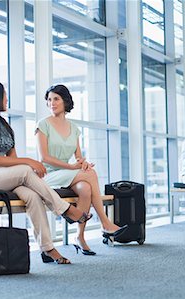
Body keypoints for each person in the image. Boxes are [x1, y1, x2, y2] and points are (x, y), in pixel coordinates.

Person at [0, 80, 93, 265]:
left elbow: (12, 161)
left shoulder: (4, 126)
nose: (7, 99)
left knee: (33, 196)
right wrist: (29, 162)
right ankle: (64, 209)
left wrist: (28, 168)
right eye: (4, 95)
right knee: (26, 169)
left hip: (3, 176)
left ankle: (48, 248)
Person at [35, 84, 127, 255]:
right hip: (48, 175)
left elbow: (78, 156)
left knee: (85, 188)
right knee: (90, 175)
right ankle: (105, 223)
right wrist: (72, 167)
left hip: (67, 174)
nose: (52, 103)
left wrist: (83, 163)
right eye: (49, 100)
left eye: (56, 99)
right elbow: (44, 158)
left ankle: (80, 236)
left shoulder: (74, 128)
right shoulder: (43, 124)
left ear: (65, 101)